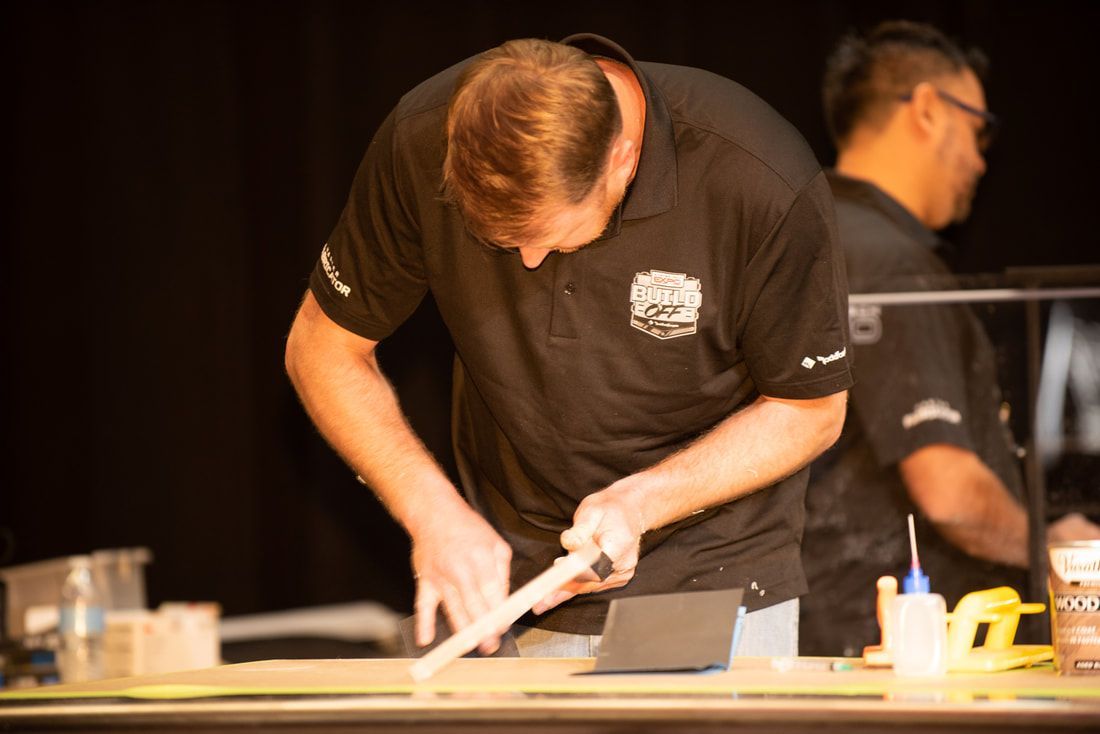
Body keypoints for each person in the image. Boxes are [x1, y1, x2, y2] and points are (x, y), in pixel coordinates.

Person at [285, 33, 852, 658]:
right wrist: (432, 513)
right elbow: (322, 348)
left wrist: (640, 502)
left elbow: (811, 409)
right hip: (507, 587)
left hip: (709, 578)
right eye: (500, 243)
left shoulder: (756, 176)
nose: (527, 262)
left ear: (623, 158)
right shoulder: (421, 137)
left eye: (549, 238)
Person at [800, 20, 1100, 657]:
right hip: (902, 643)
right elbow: (949, 490)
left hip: (826, 622)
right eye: (979, 128)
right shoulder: (893, 263)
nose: (982, 159)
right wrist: (1055, 542)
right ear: (930, 110)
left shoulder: (809, 229)